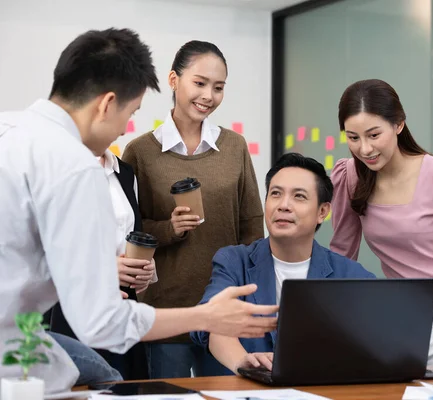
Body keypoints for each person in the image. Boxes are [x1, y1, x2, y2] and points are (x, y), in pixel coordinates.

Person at [0, 28, 277, 394]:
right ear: (106, 104)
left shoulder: (10, 128)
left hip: (20, 335)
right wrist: (205, 316)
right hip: (15, 345)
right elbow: (101, 324)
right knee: (109, 380)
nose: (122, 130)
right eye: (129, 113)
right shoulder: (76, 164)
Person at [122, 40, 264, 379]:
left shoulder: (234, 146)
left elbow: (251, 226)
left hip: (223, 311)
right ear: (173, 80)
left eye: (218, 88)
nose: (208, 96)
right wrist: (169, 228)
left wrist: (250, 298)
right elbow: (130, 230)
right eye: (199, 83)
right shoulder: (140, 151)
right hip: (166, 311)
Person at [329, 79, 433, 363]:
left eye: (373, 135)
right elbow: (342, 253)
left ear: (398, 124)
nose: (365, 149)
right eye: (353, 137)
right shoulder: (350, 177)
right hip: (398, 308)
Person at [190, 153, 375, 375]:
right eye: (275, 194)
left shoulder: (350, 275)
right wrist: (244, 363)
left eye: (299, 196)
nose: (283, 205)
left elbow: (376, 339)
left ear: (322, 212)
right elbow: (211, 322)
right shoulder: (233, 262)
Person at [49, 147, 158, 381]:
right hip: (72, 308)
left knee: (127, 385)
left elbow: (130, 233)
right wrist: (102, 270)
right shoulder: (56, 167)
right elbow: (42, 247)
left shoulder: (124, 171)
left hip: (122, 306)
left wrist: (144, 270)